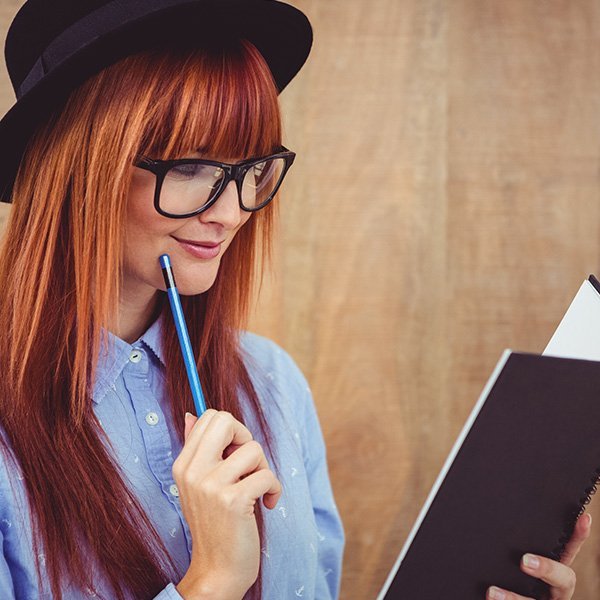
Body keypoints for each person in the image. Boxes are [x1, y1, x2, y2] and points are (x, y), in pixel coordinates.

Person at [0, 1, 345, 599]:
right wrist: (212, 581)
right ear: (79, 169)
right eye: (190, 167)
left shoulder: (274, 384)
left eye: (251, 168)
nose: (232, 212)